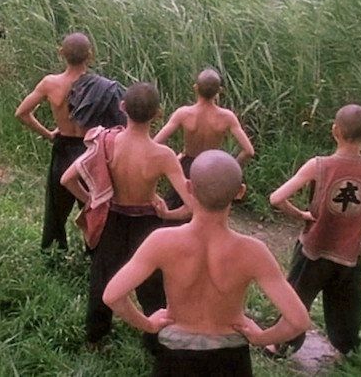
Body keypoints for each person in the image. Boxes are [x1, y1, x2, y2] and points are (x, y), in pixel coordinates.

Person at [104, 150, 310, 376]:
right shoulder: (253, 252)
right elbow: (298, 321)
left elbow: (112, 296)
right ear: (240, 192)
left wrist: (148, 325)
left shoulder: (162, 241)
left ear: (190, 188)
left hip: (175, 355)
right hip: (231, 358)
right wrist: (261, 338)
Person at [268, 104, 361, 355]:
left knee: (297, 297)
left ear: (335, 130)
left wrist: (301, 214)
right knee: (346, 305)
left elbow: (276, 198)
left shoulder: (317, 165)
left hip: (314, 247)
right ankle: (346, 349)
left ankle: (282, 344)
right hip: (348, 253)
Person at [61, 82, 189, 350]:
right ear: (158, 114)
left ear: (122, 108)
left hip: (113, 217)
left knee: (103, 278)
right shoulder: (163, 155)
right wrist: (169, 212)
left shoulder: (106, 141)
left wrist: (92, 200)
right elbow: (191, 205)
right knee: (151, 283)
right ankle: (155, 341)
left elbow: (67, 179)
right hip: (147, 222)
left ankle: (95, 338)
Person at [15, 32, 94, 250]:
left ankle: (53, 254)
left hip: (64, 147)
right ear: (90, 55)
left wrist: (49, 133)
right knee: (94, 203)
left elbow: (22, 113)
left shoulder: (51, 83)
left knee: (56, 209)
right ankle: (95, 252)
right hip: (90, 149)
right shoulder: (98, 85)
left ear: (61, 53)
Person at [153, 68, 255, 209]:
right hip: (212, 166)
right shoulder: (227, 117)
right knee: (208, 210)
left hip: (188, 165)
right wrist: (230, 165)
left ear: (196, 88)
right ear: (219, 90)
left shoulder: (183, 113)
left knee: (175, 208)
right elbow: (249, 151)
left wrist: (172, 161)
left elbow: (155, 143)